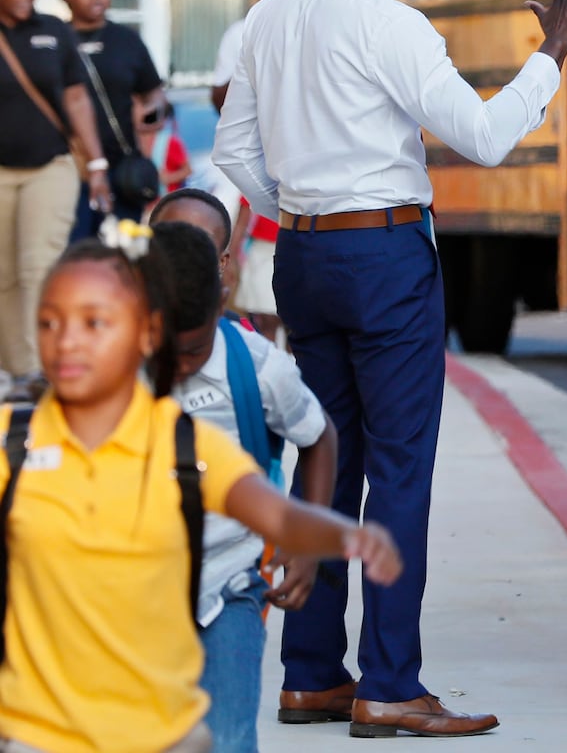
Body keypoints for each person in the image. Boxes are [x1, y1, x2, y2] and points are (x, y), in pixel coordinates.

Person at [212, 0, 567, 738]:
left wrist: (303, 212)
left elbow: (234, 152)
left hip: (306, 259)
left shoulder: (269, 16)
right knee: (402, 473)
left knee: (326, 462)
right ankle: (389, 684)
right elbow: (488, 138)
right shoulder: (394, 24)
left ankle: (310, 678)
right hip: (383, 261)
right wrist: (554, 53)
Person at [0, 219, 401, 753]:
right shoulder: (22, 441)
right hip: (108, 623)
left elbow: (279, 497)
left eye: (94, 323)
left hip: (224, 582)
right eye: (51, 324)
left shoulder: (203, 422)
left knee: (228, 738)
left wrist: (325, 538)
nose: (70, 341)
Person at [150, 218, 338, 752]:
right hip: (135, 587)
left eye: (194, 351)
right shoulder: (112, 374)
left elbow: (321, 436)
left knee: (229, 739)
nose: (183, 364)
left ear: (221, 302)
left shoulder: (258, 367)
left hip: (229, 582)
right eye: (171, 350)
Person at [0, 0, 112, 404]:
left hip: (52, 164)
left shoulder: (52, 31)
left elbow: (77, 99)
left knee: (38, 264)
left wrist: (98, 163)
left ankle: (36, 367)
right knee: (4, 273)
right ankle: (14, 368)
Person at [212, 0, 321, 344]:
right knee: (262, 293)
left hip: (304, 164)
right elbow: (223, 103)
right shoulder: (243, 31)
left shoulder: (311, 24)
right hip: (259, 161)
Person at [59, 0, 166, 240]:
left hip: (122, 169)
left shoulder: (127, 40)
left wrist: (151, 115)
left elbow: (153, 93)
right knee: (73, 253)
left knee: (122, 253)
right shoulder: (55, 40)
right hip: (70, 170)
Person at [138, 101, 192, 201]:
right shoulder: (132, 142)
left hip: (166, 202)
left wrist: (168, 178)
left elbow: (188, 170)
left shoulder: (171, 142)